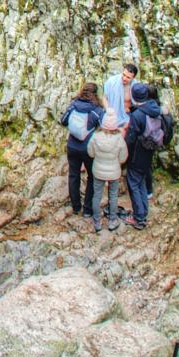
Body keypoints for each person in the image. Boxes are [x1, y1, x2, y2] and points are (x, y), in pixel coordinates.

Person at [124, 82, 173, 229]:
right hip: (150, 149)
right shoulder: (156, 108)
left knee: (133, 182)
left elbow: (131, 138)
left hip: (137, 153)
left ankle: (139, 218)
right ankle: (143, 211)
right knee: (141, 180)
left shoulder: (138, 115)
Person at [61, 82, 104, 218]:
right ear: (95, 94)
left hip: (72, 146)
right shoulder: (97, 110)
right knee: (92, 177)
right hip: (88, 148)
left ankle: (75, 207)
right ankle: (87, 209)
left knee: (73, 175)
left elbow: (63, 121)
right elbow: (103, 127)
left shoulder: (74, 105)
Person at [88, 110, 128, 232]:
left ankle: (97, 222)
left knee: (97, 195)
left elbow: (90, 153)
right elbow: (123, 157)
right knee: (113, 195)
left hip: (98, 170)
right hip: (114, 171)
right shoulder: (119, 139)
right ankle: (112, 220)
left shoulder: (95, 136)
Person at [103, 61, 138, 132]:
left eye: (128, 77)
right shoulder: (111, 81)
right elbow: (104, 98)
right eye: (123, 75)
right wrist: (108, 110)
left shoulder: (135, 86)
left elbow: (138, 104)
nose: (124, 78)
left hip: (128, 115)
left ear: (133, 78)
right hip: (112, 114)